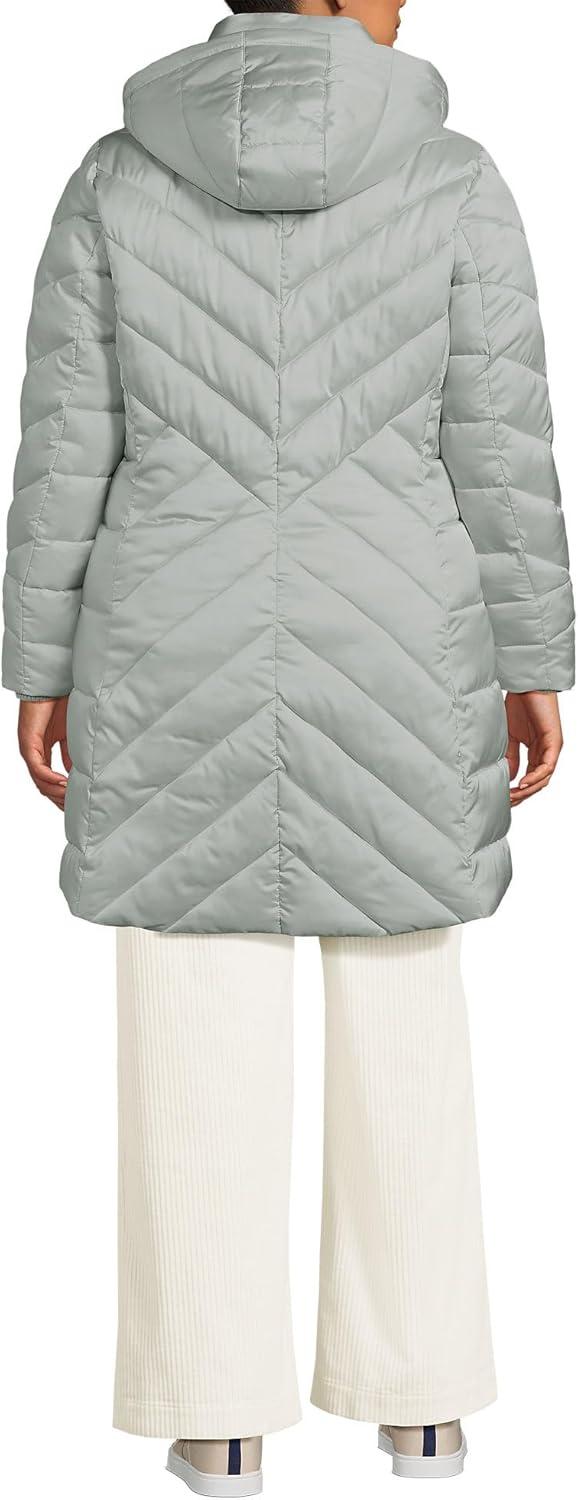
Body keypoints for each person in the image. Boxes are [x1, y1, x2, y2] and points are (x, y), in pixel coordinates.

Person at [3, 0, 574, 1492]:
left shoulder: (117, 176)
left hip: (166, 632)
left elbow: (66, 439)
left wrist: (40, 661)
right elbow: (499, 442)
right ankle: (421, 1400)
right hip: (397, 629)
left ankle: (214, 1415)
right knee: (404, 1003)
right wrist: (534, 658)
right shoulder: (450, 175)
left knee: (190, 1005)